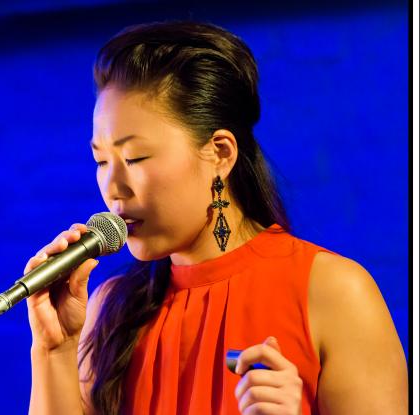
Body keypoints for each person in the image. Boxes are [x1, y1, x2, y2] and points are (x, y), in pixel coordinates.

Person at [25, 21, 407, 414]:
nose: (113, 187)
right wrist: (55, 350)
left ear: (220, 153)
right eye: (101, 161)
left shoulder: (334, 292)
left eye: (135, 158)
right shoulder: (109, 309)